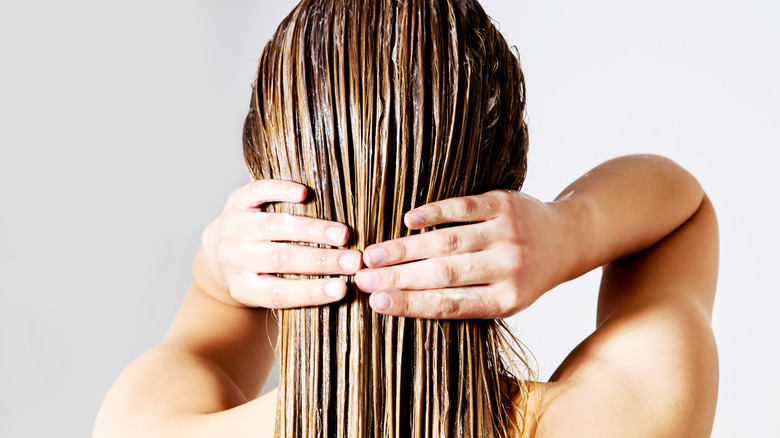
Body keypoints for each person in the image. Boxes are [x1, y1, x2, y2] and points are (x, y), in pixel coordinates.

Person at [93, 0, 719, 436]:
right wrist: (571, 228)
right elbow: (683, 211)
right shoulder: (625, 419)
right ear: (502, 192)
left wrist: (215, 263)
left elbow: (201, 340)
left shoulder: (146, 426)